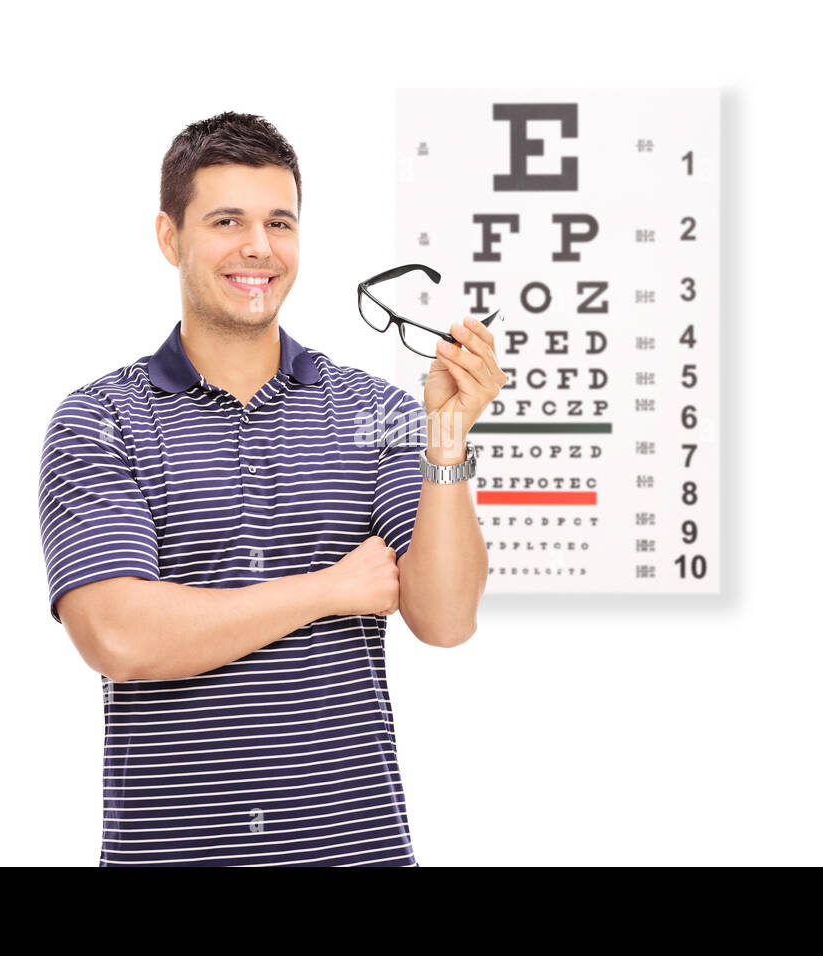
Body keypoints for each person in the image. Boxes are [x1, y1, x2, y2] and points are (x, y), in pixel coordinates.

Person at [37, 111, 504, 866]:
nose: (259, 247)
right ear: (169, 237)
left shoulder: (375, 413)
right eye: (227, 220)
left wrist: (446, 439)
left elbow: (445, 618)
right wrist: (329, 589)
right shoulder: (100, 420)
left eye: (279, 222)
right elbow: (119, 636)